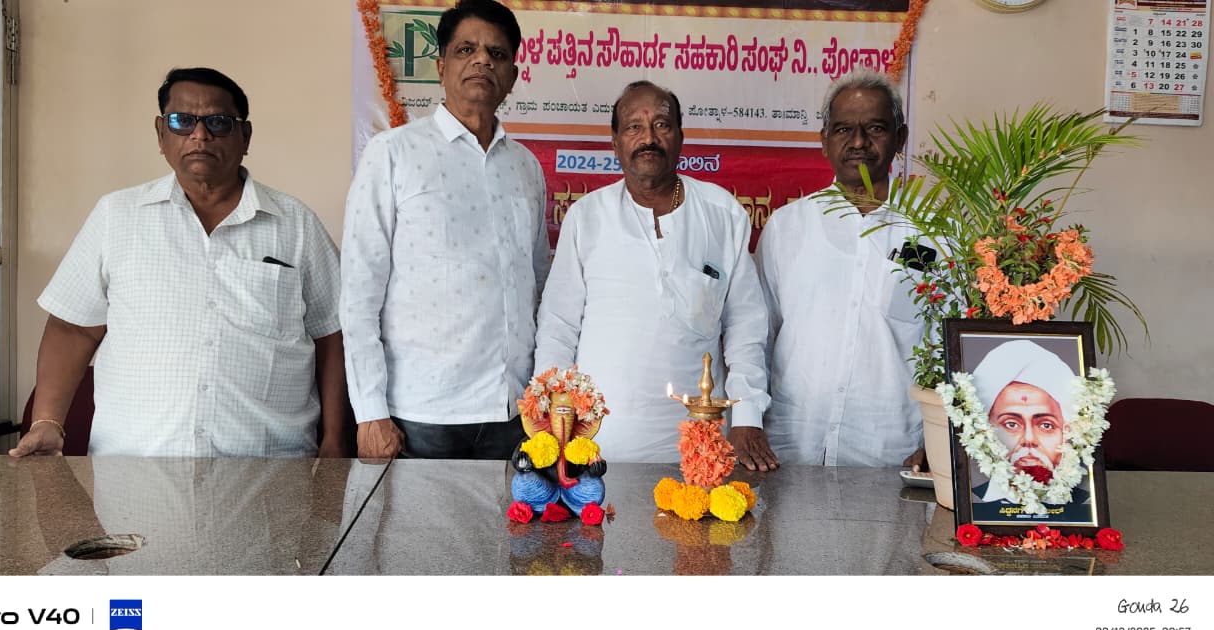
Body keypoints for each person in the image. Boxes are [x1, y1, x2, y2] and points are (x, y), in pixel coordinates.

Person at [11, 67, 346, 458]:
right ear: (160, 133)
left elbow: (332, 335)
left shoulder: (296, 224)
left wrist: (335, 439)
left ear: (245, 136)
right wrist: (47, 422)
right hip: (133, 472)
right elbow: (73, 329)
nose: (199, 135)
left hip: (269, 469)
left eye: (218, 122)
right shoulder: (117, 216)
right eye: (182, 121)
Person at [341, 0, 548, 460]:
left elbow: (537, 283)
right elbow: (358, 294)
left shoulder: (526, 168)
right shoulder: (392, 154)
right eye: (466, 50)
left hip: (515, 412)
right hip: (422, 414)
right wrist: (370, 413)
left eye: (497, 54)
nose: (482, 61)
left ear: (512, 75)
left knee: (514, 514)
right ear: (441, 66)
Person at [534, 81, 774, 468]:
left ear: (680, 137)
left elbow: (746, 328)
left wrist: (747, 417)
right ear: (615, 142)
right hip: (596, 443)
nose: (648, 138)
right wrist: (550, 424)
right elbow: (558, 328)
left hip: (700, 446)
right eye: (634, 127)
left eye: (661, 125)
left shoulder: (722, 214)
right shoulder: (586, 217)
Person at [756, 68, 926, 467]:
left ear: (900, 138)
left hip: (891, 450)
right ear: (824, 140)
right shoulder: (787, 227)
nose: (859, 142)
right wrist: (749, 420)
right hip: (792, 446)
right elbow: (758, 336)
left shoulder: (933, 232)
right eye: (844, 129)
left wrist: (942, 439)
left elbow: (951, 347)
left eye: (876, 129)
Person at [969, 339, 1090, 510]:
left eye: (1046, 425)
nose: (1029, 439)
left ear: (1067, 433)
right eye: (1011, 424)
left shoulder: (1088, 508)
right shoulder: (971, 503)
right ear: (985, 431)